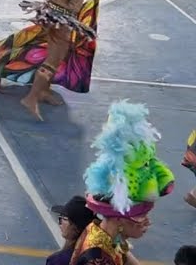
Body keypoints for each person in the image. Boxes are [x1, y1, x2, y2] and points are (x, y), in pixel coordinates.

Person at [73, 101, 173, 265]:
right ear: (119, 219)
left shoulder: (107, 235)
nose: (148, 222)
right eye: (141, 216)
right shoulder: (97, 259)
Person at [47, 196, 96, 265]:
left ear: (76, 227)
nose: (60, 222)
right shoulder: (95, 254)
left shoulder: (57, 261)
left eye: (64, 218)